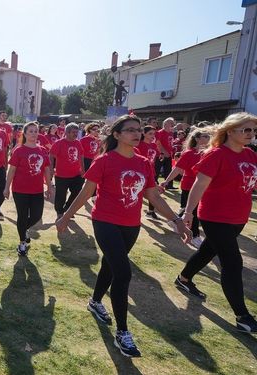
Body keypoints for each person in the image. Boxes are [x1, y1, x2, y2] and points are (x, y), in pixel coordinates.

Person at [56, 114, 191, 357]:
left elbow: (153, 195)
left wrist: (176, 220)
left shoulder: (143, 163)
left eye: (138, 130)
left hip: (131, 225)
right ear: (117, 135)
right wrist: (66, 216)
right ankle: (123, 332)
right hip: (105, 221)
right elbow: (86, 193)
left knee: (110, 265)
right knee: (124, 272)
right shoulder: (104, 161)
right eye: (130, 130)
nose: (136, 133)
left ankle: (95, 301)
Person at [175, 112, 257, 334]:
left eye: (253, 130)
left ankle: (183, 278)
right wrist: (188, 212)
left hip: (239, 217)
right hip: (215, 217)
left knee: (207, 251)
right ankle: (243, 316)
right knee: (232, 263)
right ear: (230, 131)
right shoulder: (216, 155)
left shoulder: (250, 154)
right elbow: (199, 186)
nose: (251, 134)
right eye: (246, 130)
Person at [3, 122, 53, 256]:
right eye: (30, 131)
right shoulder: (19, 150)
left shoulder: (42, 150)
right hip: (20, 190)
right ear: (24, 134)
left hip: (37, 190)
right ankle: (22, 243)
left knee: (37, 216)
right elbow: (12, 170)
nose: (33, 133)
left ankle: (23, 229)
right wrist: (6, 187)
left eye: (35, 131)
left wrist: (49, 186)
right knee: (22, 216)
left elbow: (47, 170)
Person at [160, 128, 210, 248]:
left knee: (190, 209)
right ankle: (195, 236)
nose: (208, 138)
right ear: (197, 138)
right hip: (189, 186)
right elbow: (177, 169)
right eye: (205, 136)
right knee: (194, 211)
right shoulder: (189, 153)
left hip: (204, 187)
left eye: (209, 136)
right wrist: (166, 181)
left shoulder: (210, 153)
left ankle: (174, 221)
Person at [49, 123, 85, 219]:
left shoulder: (78, 142)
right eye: (73, 132)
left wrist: (83, 170)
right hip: (62, 175)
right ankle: (60, 212)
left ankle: (68, 208)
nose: (76, 134)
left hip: (76, 174)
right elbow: (51, 155)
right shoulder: (59, 143)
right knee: (61, 195)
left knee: (77, 192)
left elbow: (81, 156)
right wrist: (51, 168)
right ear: (67, 132)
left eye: (77, 132)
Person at [135, 125, 162, 219]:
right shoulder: (139, 145)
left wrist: (161, 155)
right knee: (138, 193)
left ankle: (151, 212)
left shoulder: (154, 145)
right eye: (150, 133)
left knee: (154, 192)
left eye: (154, 134)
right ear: (144, 133)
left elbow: (156, 156)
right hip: (140, 172)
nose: (152, 136)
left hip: (151, 172)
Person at [155, 118, 175, 189]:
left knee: (169, 170)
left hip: (169, 154)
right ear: (165, 124)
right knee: (157, 170)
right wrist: (164, 152)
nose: (173, 125)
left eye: (173, 123)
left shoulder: (171, 133)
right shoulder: (160, 132)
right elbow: (158, 143)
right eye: (171, 123)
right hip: (161, 154)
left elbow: (170, 143)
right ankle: (154, 184)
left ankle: (169, 185)